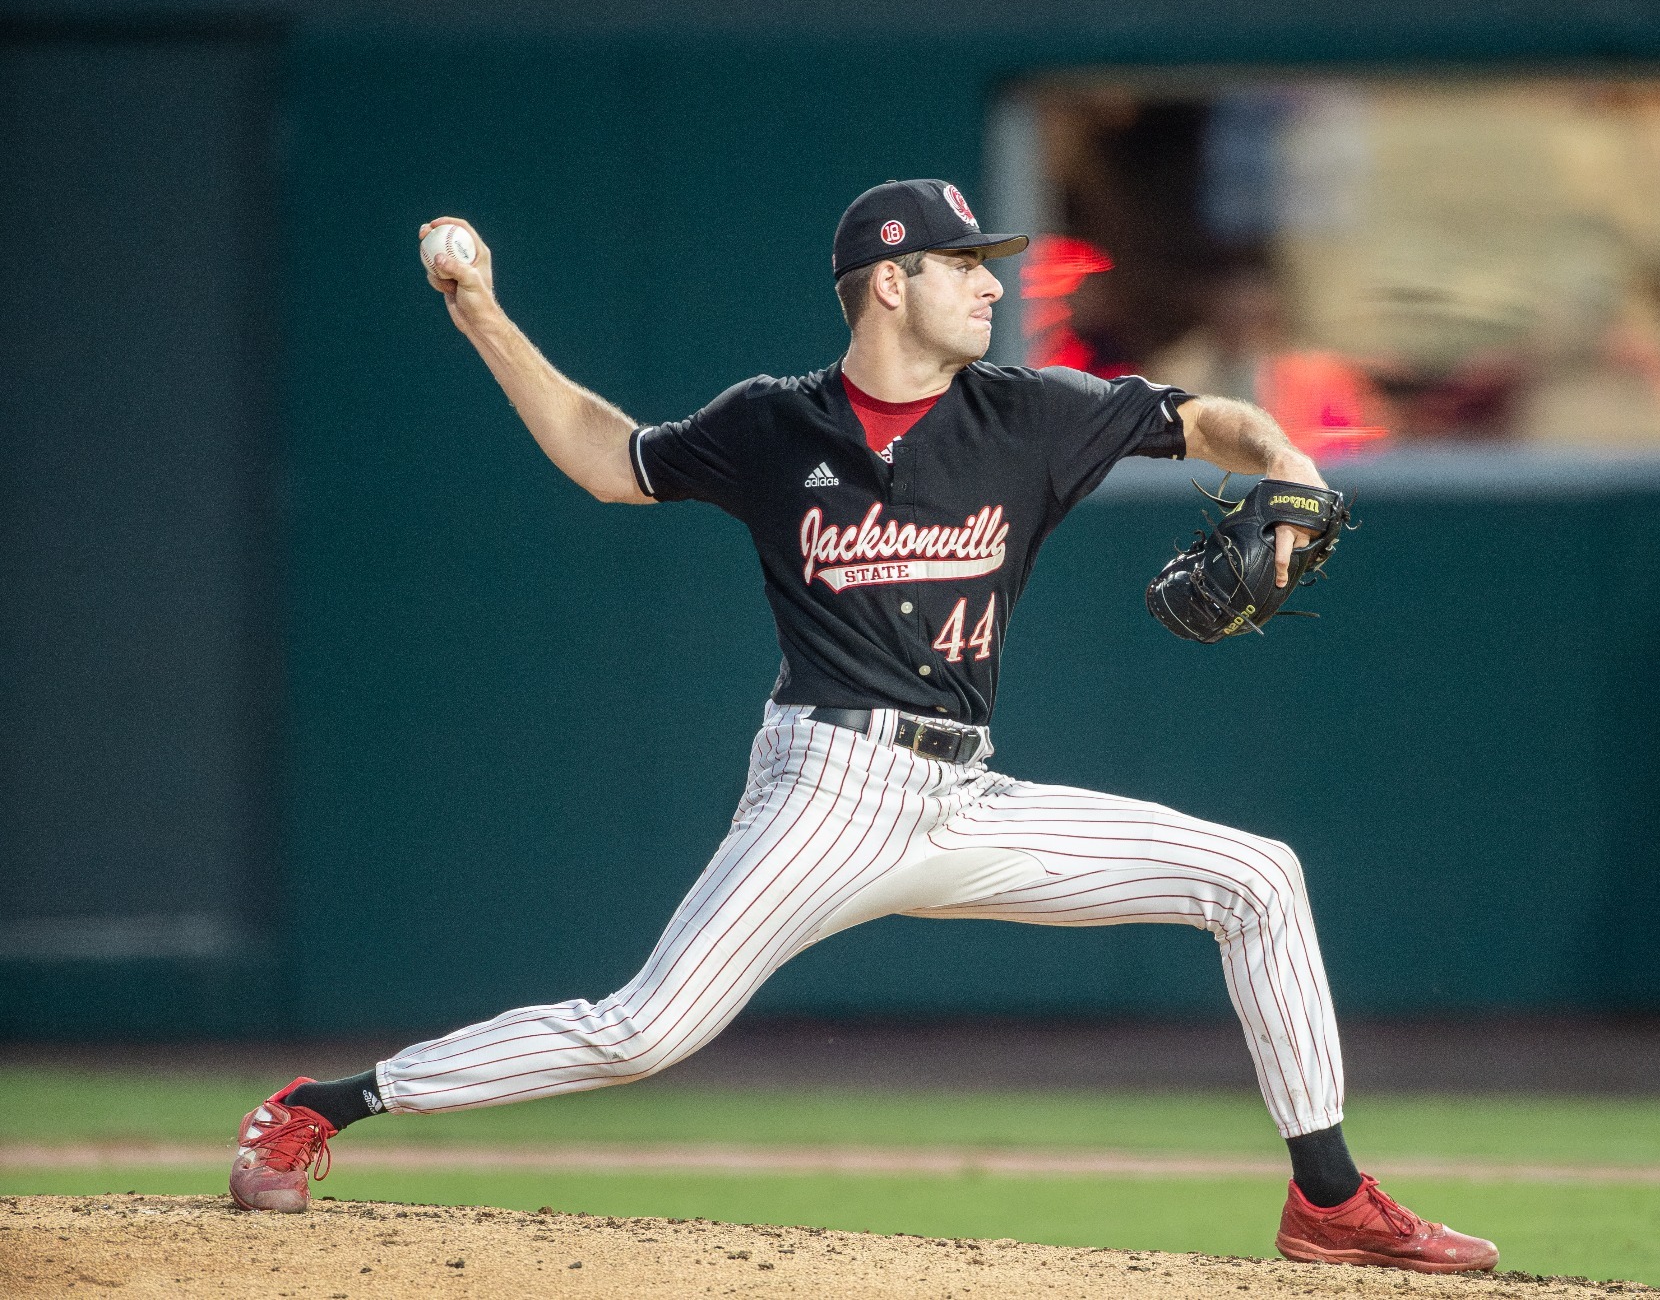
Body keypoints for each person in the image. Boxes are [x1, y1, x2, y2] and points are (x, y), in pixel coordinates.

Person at [226, 178, 1497, 1274]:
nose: (992, 287)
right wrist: (481, 313)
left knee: (1258, 877)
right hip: (824, 790)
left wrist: (1287, 463)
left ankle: (1327, 1201)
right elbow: (607, 455)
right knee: (642, 1031)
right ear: (887, 283)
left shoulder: (1027, 414)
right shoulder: (776, 423)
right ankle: (319, 1106)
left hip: (965, 795)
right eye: (962, 265)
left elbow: (1199, 418)